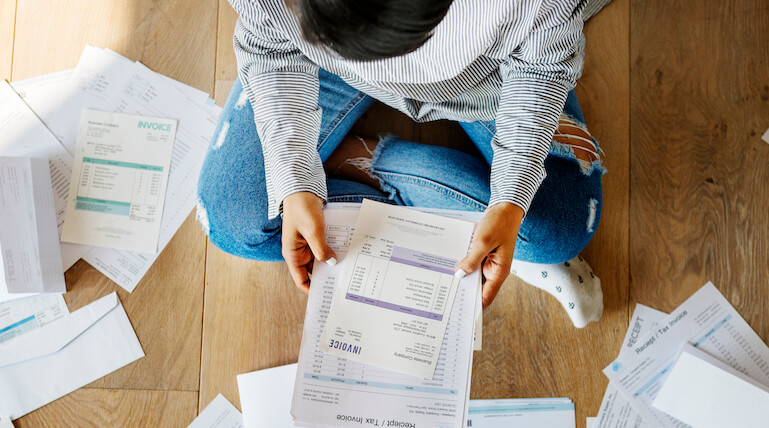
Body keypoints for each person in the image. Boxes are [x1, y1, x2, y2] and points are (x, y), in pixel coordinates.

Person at [196, 0, 610, 327]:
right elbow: (270, 47)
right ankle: (468, 227)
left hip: (486, 77)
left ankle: (357, 160)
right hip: (323, 64)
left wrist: (510, 201)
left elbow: (541, 69)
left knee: (562, 228)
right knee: (235, 220)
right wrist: (293, 176)